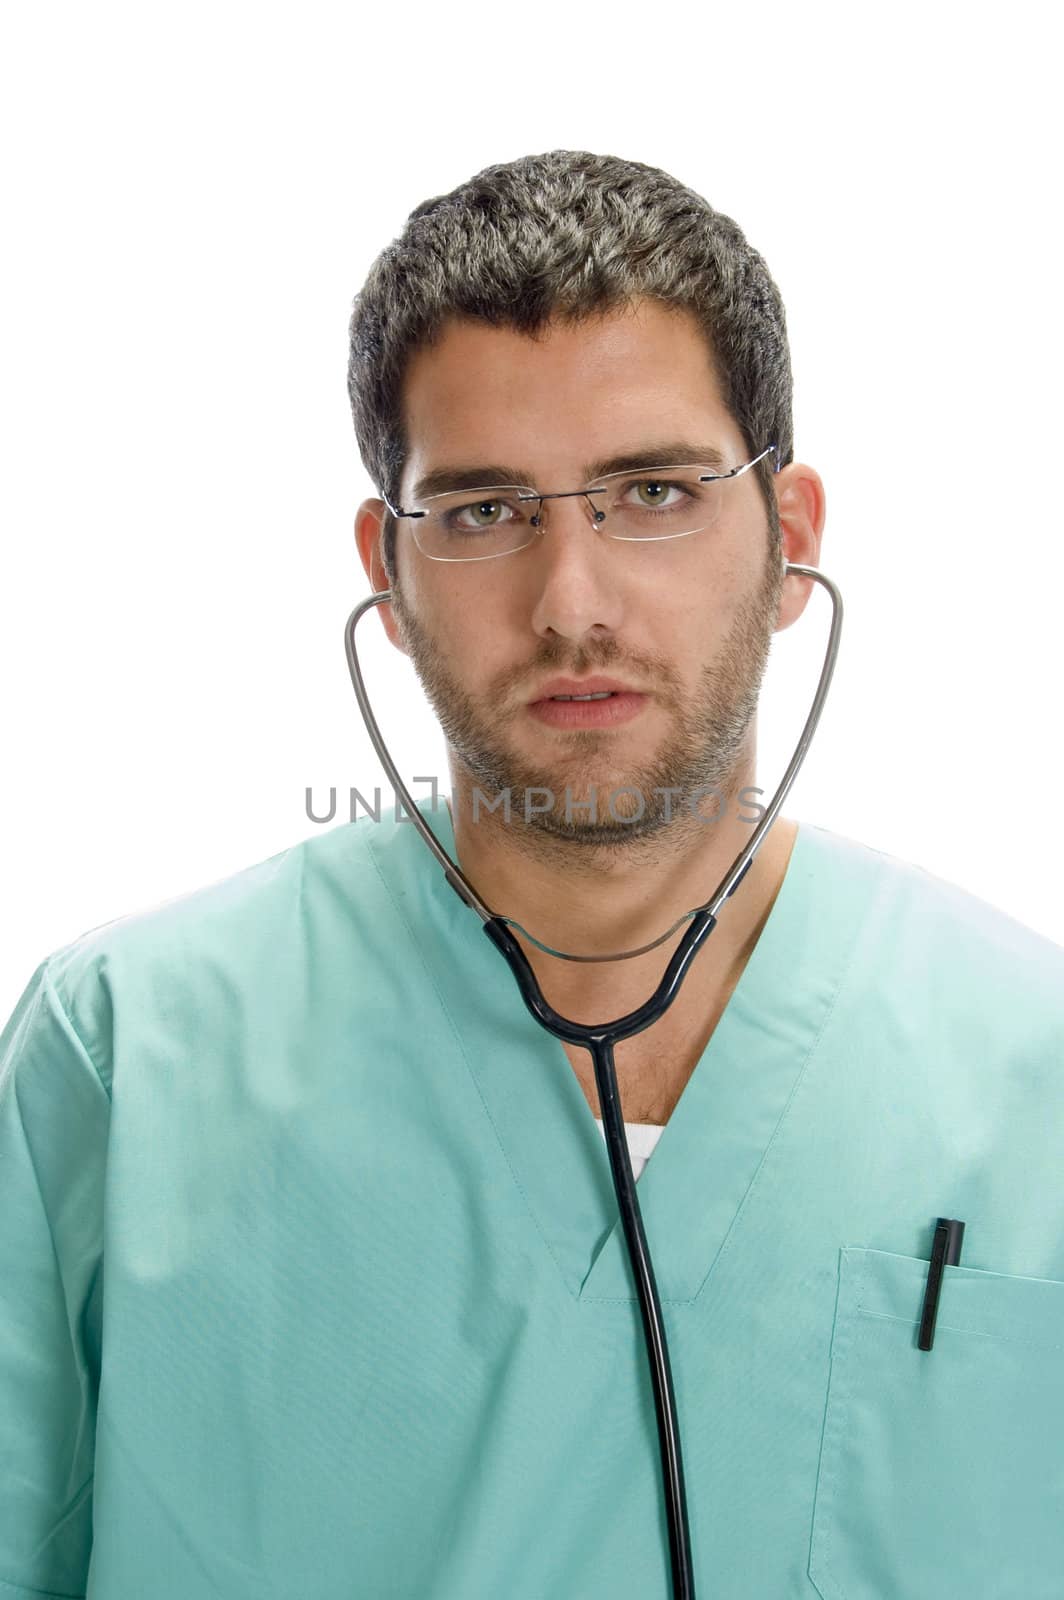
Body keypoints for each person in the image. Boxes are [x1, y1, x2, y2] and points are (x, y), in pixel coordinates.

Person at [2, 150, 1062, 1600]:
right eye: (487, 511)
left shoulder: (1033, 1073)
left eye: (655, 490)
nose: (573, 601)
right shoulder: (124, 1059)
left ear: (792, 534)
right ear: (389, 565)